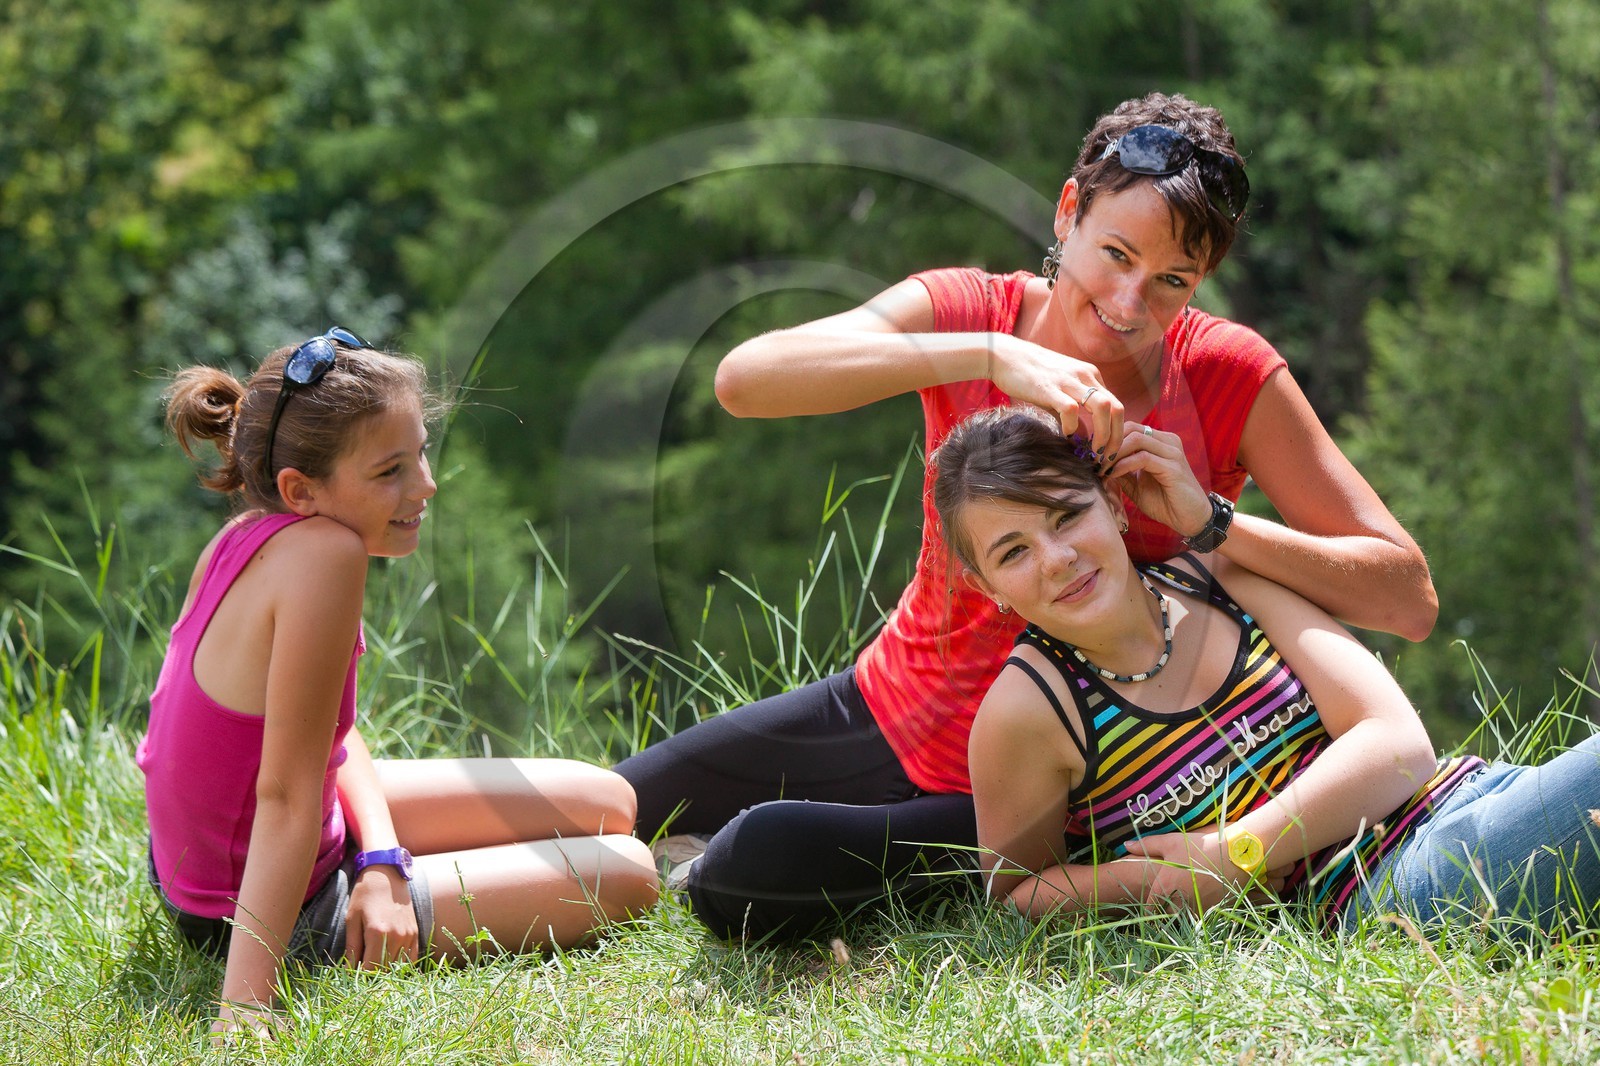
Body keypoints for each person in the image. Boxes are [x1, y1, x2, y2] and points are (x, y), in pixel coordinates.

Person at [614, 92, 1436, 939]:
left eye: (1171, 282)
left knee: (753, 862)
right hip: (889, 704)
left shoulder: (1227, 373)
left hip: (1047, 779)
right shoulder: (974, 315)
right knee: (618, 802)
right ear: (1068, 211)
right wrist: (987, 354)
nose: (1129, 302)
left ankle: (703, 869)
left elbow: (1406, 600)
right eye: (1114, 254)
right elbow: (745, 379)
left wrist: (1211, 523)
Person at [139, 328, 658, 1036]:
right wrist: (246, 1006)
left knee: (609, 799)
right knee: (628, 874)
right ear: (301, 489)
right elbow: (284, 796)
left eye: (420, 452)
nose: (425, 484)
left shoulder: (246, 533)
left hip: (208, 864)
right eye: (390, 471)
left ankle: (381, 862)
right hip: (252, 906)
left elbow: (326, 738)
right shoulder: (328, 556)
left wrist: (382, 855)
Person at [936, 405, 1599, 932]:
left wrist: (1233, 852)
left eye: (1067, 516)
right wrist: (1152, 883)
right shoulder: (1029, 710)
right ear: (986, 584)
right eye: (1013, 551)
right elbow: (1017, 892)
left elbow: (1400, 745)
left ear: (1112, 503)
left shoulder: (1221, 578)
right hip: (1385, 890)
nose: (1056, 559)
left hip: (1474, 795)